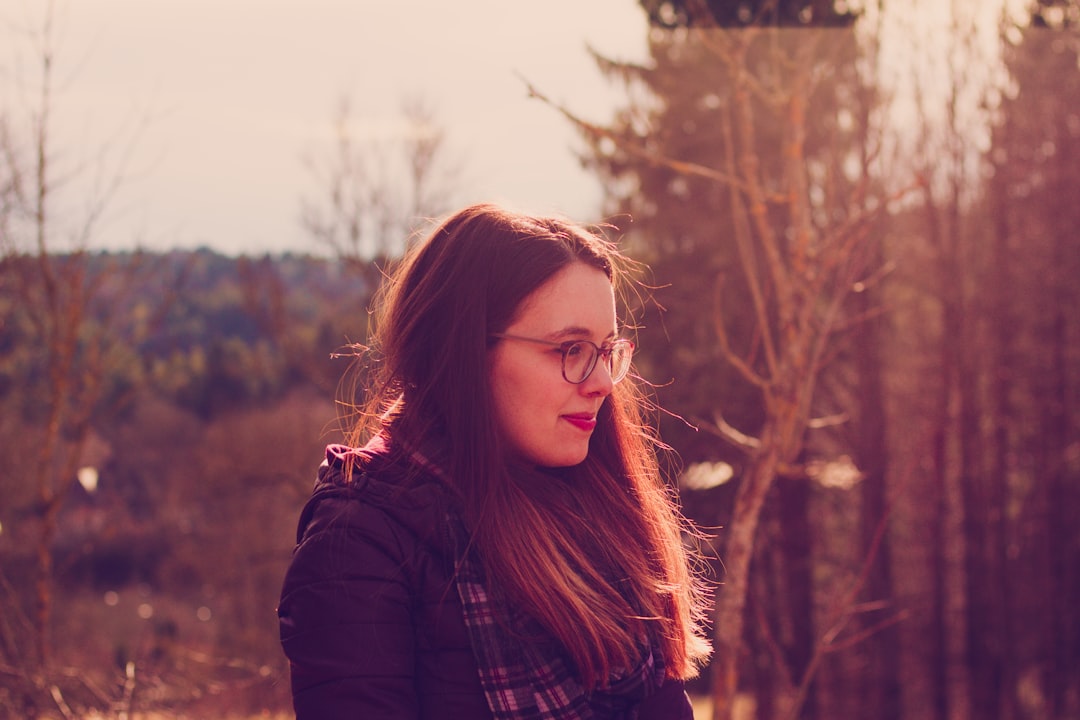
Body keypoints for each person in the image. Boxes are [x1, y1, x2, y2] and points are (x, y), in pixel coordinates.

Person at [278, 203, 712, 719]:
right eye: (569, 349)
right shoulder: (360, 545)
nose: (599, 384)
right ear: (463, 351)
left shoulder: (600, 510)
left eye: (606, 350)